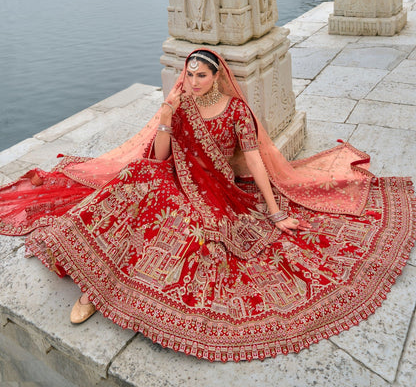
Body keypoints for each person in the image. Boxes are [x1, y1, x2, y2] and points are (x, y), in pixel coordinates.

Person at [0, 48, 415, 362]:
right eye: (189, 74)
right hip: (174, 176)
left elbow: (252, 160)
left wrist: (274, 212)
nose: (193, 81)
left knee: (189, 233)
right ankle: (95, 283)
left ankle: (101, 289)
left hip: (217, 192)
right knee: (132, 188)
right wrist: (166, 114)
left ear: (217, 76)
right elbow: (160, 156)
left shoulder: (235, 110)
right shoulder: (180, 104)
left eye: (200, 75)